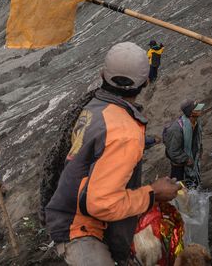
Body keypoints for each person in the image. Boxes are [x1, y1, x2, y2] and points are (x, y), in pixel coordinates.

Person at [45, 42, 181, 266]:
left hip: (65, 214)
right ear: (146, 82)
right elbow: (102, 204)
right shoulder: (125, 132)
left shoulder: (94, 107)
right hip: (81, 230)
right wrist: (153, 194)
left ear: (102, 75)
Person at [162, 100, 205, 189]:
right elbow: (173, 152)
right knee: (179, 191)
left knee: (193, 188)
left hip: (192, 162)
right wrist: (186, 159)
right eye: (197, 109)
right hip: (179, 166)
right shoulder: (176, 129)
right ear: (191, 113)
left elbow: (197, 140)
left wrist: (199, 150)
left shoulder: (196, 122)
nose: (201, 110)